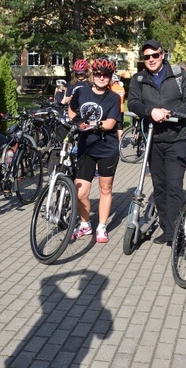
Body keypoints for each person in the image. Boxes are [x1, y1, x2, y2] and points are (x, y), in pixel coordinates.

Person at [127, 40, 186, 246]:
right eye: (147, 57)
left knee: (174, 186)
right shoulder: (138, 79)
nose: (151, 60)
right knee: (159, 187)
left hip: (175, 139)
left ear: (162, 55)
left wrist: (172, 113)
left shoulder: (177, 74)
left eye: (155, 55)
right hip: (152, 139)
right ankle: (168, 230)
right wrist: (151, 111)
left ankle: (177, 232)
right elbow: (133, 103)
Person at [69, 58, 122, 243]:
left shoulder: (114, 98)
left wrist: (90, 123)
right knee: (80, 192)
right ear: (93, 74)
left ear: (110, 77)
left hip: (107, 148)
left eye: (105, 75)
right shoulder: (82, 92)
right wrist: (76, 121)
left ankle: (101, 226)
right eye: (98, 74)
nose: (101, 77)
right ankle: (85, 224)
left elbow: (110, 124)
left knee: (105, 189)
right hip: (86, 147)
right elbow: (72, 109)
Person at [110, 73, 126, 139]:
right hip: (121, 108)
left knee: (112, 125)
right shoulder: (122, 88)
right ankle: (121, 141)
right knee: (120, 126)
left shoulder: (111, 88)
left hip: (114, 108)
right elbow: (124, 99)